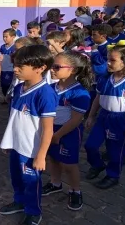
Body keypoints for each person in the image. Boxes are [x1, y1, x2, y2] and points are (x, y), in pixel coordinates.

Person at [0, 45, 57, 225]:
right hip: (16, 145)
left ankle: (33, 212)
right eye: (15, 65)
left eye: (20, 67)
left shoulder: (45, 93)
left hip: (31, 150)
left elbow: (48, 129)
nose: (15, 69)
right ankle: (19, 201)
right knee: (16, 177)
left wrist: (41, 155)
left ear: (40, 68)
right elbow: (14, 118)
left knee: (31, 183)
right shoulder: (18, 88)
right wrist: (9, 140)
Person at [43, 51, 92, 211]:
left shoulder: (80, 93)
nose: (52, 69)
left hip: (67, 133)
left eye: (57, 67)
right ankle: (55, 183)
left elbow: (76, 120)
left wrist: (57, 135)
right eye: (52, 65)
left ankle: (75, 190)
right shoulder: (50, 87)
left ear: (73, 70)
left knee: (69, 165)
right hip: (51, 130)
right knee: (53, 158)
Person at [84, 45, 125, 189]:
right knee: (90, 145)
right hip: (104, 116)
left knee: (115, 150)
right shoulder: (105, 79)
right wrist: (91, 116)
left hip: (123, 118)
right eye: (108, 59)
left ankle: (113, 175)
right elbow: (97, 98)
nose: (108, 63)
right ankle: (97, 165)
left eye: (112, 60)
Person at [0, 29, 16, 102]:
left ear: (13, 37)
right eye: (3, 37)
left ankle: (9, 98)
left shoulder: (15, 47)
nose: (4, 38)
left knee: (9, 84)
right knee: (3, 85)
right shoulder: (2, 47)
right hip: (3, 69)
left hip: (11, 70)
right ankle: (5, 98)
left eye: (6, 37)